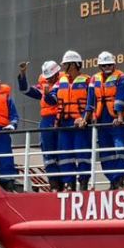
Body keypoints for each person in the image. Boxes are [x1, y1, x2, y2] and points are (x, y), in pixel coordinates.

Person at [86, 51, 124, 189]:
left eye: (109, 64)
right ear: (100, 66)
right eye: (104, 65)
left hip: (118, 120)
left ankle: (120, 179)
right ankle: (113, 181)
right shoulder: (94, 80)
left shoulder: (121, 78)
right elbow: (91, 101)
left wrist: (119, 116)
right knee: (105, 153)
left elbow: (121, 97)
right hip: (102, 121)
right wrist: (89, 118)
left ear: (114, 64)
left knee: (120, 149)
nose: (107, 67)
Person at [18, 59, 64, 191]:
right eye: (47, 77)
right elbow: (26, 90)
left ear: (57, 74)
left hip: (61, 120)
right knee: (48, 154)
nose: (48, 79)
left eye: (50, 77)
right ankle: (54, 184)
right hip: (47, 121)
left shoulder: (65, 84)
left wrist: (48, 94)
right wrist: (22, 74)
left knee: (63, 153)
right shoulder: (44, 86)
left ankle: (65, 183)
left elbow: (53, 100)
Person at [52, 50, 91, 190]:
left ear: (73, 65)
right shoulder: (60, 81)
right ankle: (69, 182)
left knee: (82, 154)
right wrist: (46, 95)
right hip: (64, 123)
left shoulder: (87, 81)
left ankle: (84, 182)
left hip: (80, 124)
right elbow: (52, 98)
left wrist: (84, 118)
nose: (63, 67)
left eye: (65, 64)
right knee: (65, 155)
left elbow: (91, 102)